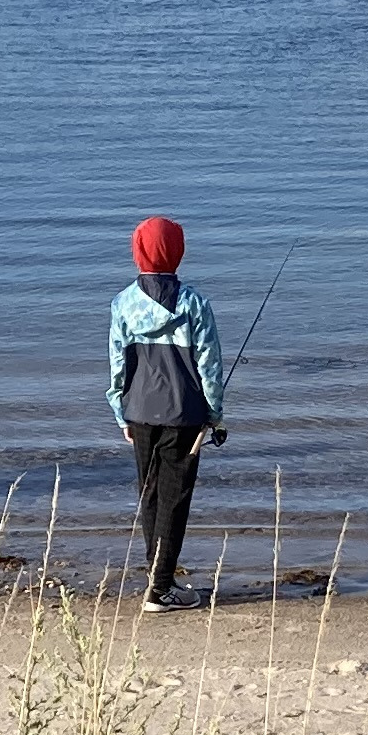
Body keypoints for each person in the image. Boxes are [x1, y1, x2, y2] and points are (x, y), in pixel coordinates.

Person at [106, 214, 227, 612]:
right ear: (178, 252)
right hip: (185, 412)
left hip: (140, 410)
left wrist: (120, 413)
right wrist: (215, 412)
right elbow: (209, 365)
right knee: (175, 498)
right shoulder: (195, 304)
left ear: (137, 251)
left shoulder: (123, 303)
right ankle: (160, 588)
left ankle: (159, 577)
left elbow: (117, 366)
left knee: (151, 494)